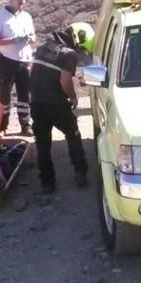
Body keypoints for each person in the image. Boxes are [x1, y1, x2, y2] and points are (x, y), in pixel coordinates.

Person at [29, 22, 93, 193]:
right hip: (57, 105)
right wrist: (73, 97)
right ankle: (81, 173)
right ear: (78, 40)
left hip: (36, 103)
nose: (80, 52)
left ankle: (47, 183)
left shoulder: (43, 48)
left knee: (42, 144)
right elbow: (65, 80)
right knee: (73, 136)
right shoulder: (69, 54)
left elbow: (32, 71)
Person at [0, 0, 36, 135]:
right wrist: (14, 40)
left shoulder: (27, 16)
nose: (22, 1)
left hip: (24, 60)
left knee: (24, 94)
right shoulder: (0, 17)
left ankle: (25, 124)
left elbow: (33, 37)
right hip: (7, 60)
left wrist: (30, 39)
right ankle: (2, 126)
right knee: (4, 95)